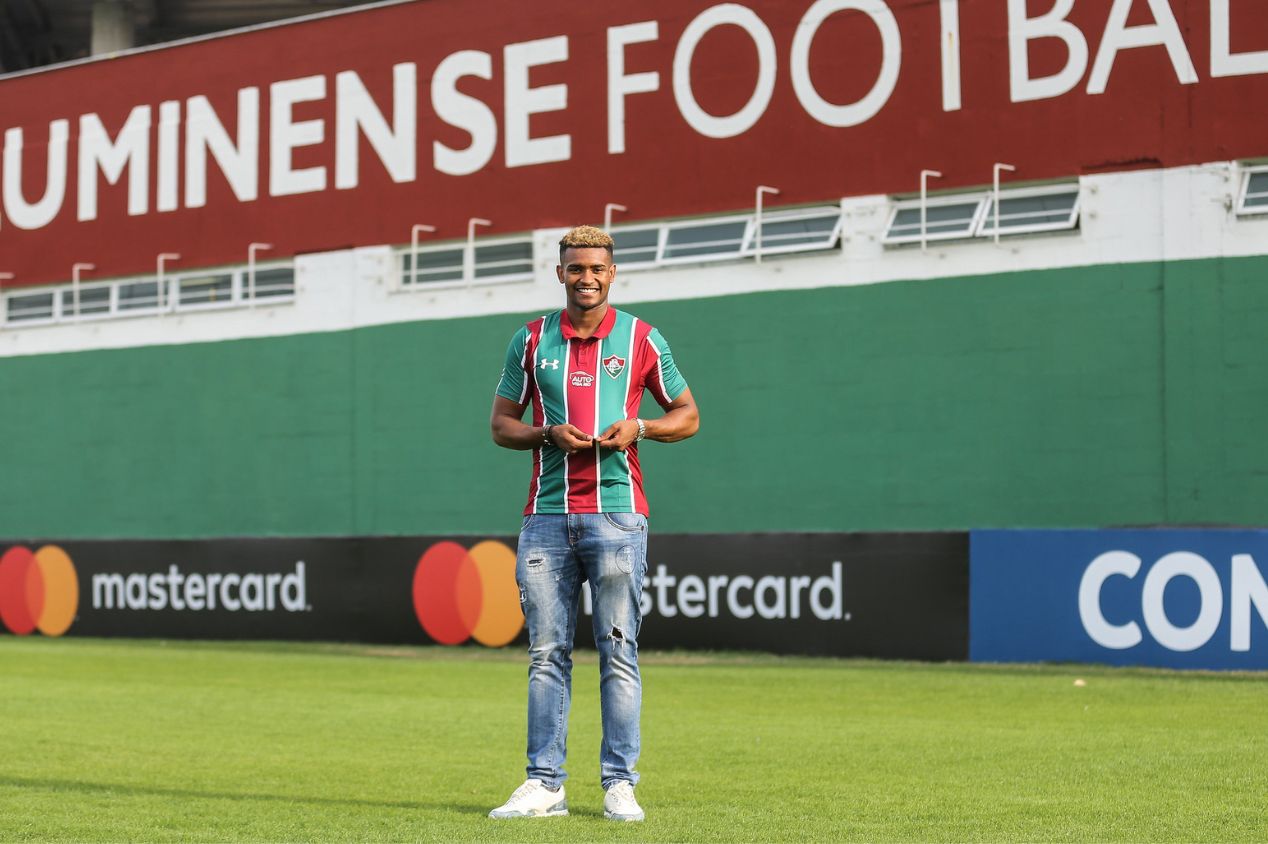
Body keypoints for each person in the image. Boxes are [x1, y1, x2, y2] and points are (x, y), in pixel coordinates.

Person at [487, 225, 700, 822]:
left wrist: (644, 427)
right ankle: (545, 784)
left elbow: (687, 415)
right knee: (546, 654)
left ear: (612, 273)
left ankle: (619, 785)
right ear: (560, 273)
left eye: (596, 269)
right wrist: (544, 434)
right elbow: (501, 424)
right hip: (546, 518)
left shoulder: (642, 339)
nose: (586, 277)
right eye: (575, 268)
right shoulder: (529, 341)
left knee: (619, 651)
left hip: (617, 515)